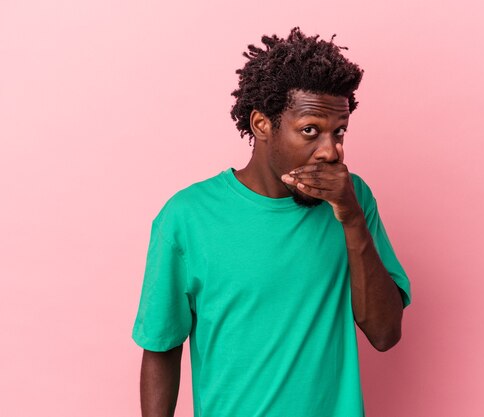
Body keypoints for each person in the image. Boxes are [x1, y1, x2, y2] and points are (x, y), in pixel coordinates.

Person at [132, 27, 412, 417]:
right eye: (310, 130)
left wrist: (351, 220)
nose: (331, 151)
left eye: (339, 131)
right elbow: (162, 346)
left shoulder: (353, 199)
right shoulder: (187, 216)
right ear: (262, 125)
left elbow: (384, 334)